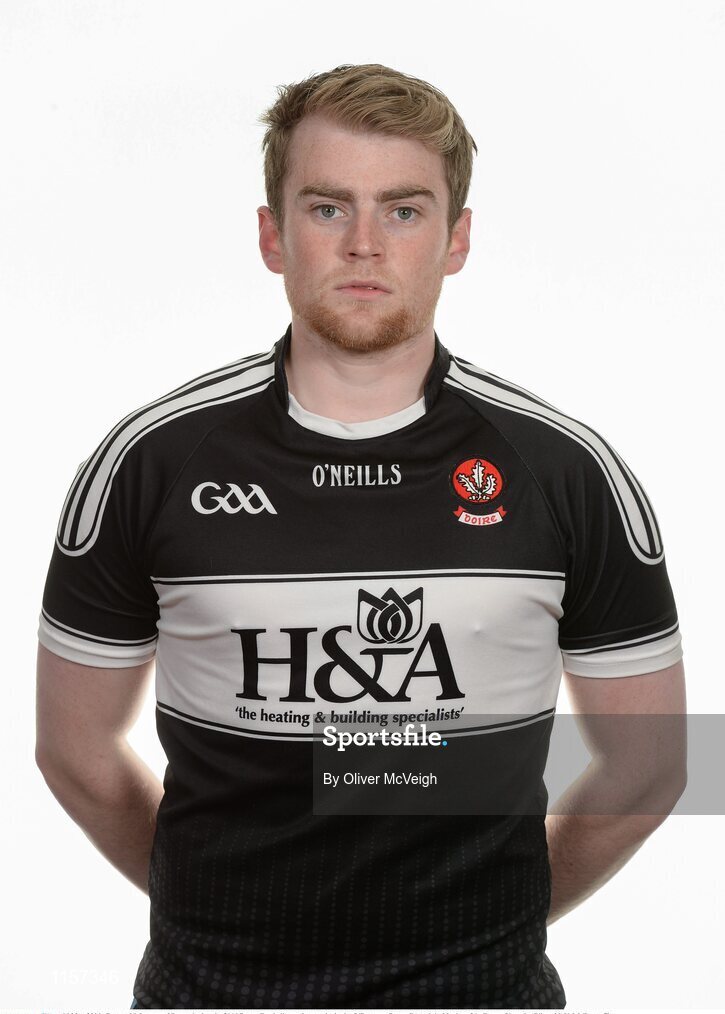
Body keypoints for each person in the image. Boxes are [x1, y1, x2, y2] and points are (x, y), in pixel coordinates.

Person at [35, 63, 686, 1010]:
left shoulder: (566, 471)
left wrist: (496, 925)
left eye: (406, 210)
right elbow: (74, 751)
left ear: (457, 239)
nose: (366, 244)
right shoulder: (150, 462)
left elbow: (655, 763)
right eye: (328, 208)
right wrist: (212, 917)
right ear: (272, 234)